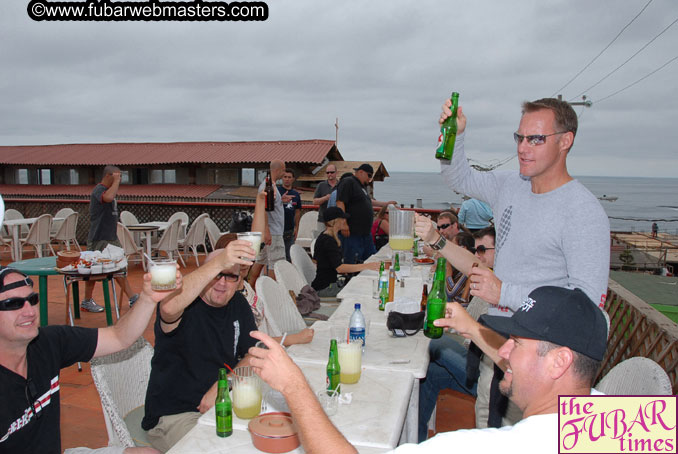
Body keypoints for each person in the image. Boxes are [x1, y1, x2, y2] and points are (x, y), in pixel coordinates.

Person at [248, 285, 608, 454]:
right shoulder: (633, 423)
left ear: (560, 361)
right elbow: (522, 362)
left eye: (518, 343)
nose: (505, 350)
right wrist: (471, 330)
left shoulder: (496, 447)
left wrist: (294, 386)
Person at [437, 97, 610, 313]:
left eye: (536, 139)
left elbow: (586, 308)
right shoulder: (509, 185)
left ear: (565, 141)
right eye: (520, 138)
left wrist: (504, 294)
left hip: (540, 343)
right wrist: (456, 135)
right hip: (499, 331)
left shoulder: (583, 212)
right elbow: (459, 179)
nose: (522, 148)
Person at [0, 265, 179, 454]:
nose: (29, 311)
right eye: (13, 303)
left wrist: (148, 298)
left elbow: (119, 337)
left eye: (32, 299)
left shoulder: (48, 343)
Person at [141, 241, 258, 452]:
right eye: (215, 274)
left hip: (223, 404)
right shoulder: (183, 304)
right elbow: (168, 308)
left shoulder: (238, 304)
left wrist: (223, 386)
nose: (222, 283)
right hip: (175, 415)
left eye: (230, 276)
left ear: (239, 281)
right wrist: (219, 262)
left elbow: (252, 354)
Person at [419, 227, 498, 441]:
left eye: (482, 249)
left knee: (427, 342)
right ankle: (416, 440)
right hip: (475, 356)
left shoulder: (499, 289)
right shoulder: (489, 282)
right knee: (428, 373)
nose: (477, 255)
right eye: (476, 249)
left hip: (485, 369)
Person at [82, 165, 138, 313]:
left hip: (109, 237)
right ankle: (86, 301)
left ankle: (132, 298)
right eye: (116, 176)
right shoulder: (99, 190)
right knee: (93, 271)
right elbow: (108, 197)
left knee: (119, 266)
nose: (119, 180)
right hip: (99, 237)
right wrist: (116, 182)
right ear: (108, 176)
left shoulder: (107, 190)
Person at [311, 207, 380, 297]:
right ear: (335, 221)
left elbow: (317, 260)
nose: (345, 220)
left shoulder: (324, 236)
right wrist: (366, 266)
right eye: (342, 218)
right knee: (363, 292)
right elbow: (339, 268)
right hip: (325, 288)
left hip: (323, 284)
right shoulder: (329, 241)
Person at [335, 163, 395, 264]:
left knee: (371, 260)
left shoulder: (361, 187)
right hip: (352, 232)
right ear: (361, 172)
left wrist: (385, 204)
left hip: (365, 234)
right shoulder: (349, 182)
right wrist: (343, 223)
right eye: (369, 175)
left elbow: (368, 202)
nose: (370, 179)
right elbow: (340, 202)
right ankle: (351, 279)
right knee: (353, 262)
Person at [250, 160, 286, 284]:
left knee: (260, 261)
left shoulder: (268, 184)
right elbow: (264, 209)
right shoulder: (269, 186)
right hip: (273, 232)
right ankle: (272, 293)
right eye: (284, 170)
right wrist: (267, 230)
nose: (284, 173)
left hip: (270, 231)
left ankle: (251, 288)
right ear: (278, 170)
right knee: (275, 264)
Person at [277, 168, 302, 261]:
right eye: (285, 177)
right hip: (277, 229)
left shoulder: (296, 194)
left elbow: (298, 211)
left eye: (289, 177)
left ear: (293, 179)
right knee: (276, 256)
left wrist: (296, 227)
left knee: (290, 256)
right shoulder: (277, 191)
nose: (287, 179)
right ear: (282, 178)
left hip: (289, 230)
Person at [312, 163, 338, 237]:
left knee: (336, 242)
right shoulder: (321, 185)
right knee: (322, 241)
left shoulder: (341, 185)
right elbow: (314, 202)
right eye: (327, 172)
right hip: (322, 220)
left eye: (332, 172)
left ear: (336, 173)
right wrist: (325, 198)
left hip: (337, 220)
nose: (329, 174)